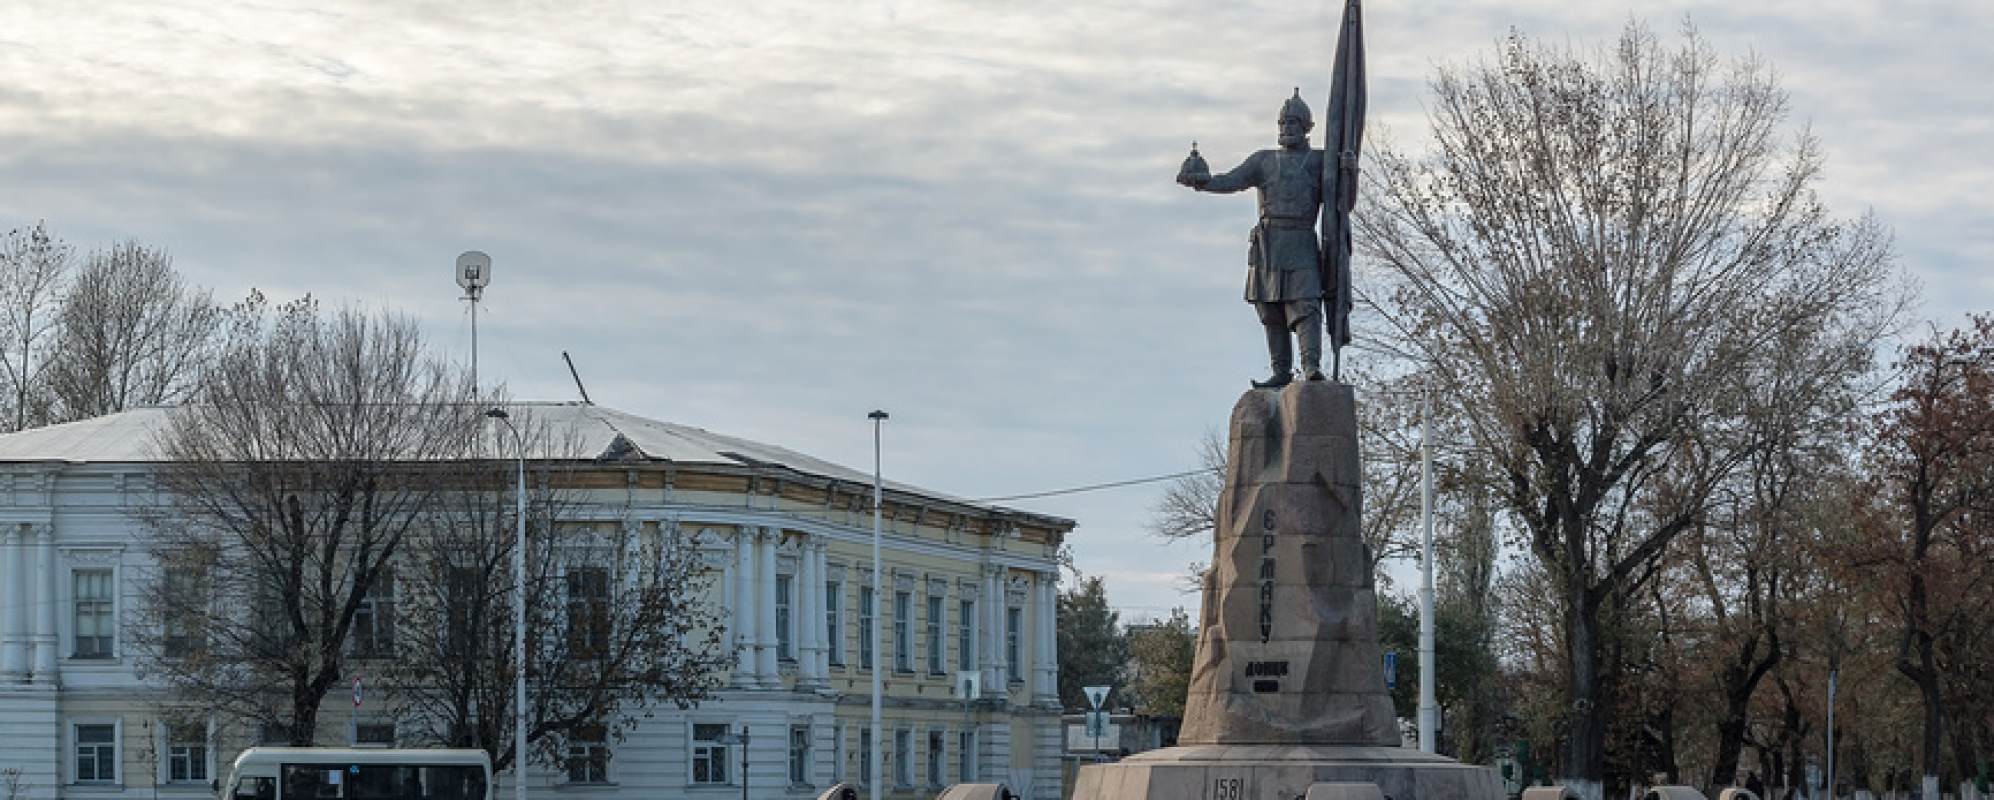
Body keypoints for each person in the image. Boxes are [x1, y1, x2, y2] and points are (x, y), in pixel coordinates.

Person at [1179, 89, 1328, 388]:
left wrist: (1349, 169)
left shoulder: (1319, 161)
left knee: (1305, 305)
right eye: (1283, 124)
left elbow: (1341, 201)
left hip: (1300, 239)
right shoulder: (1263, 160)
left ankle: (1310, 365)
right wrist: (1202, 182)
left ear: (1306, 128)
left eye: (1293, 124)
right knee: (1270, 310)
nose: (1286, 129)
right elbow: (1232, 181)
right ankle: (1281, 371)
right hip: (1269, 245)